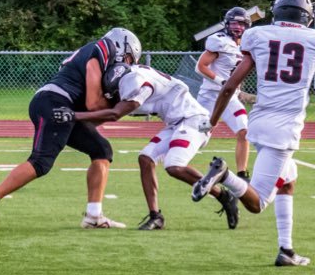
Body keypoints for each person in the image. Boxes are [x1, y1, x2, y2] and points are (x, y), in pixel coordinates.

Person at [0, 27, 142, 230]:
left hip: (63, 107)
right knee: (41, 162)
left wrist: (116, 108)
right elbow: (93, 104)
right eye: (128, 59)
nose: (126, 65)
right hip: (54, 101)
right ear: (120, 46)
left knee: (101, 150)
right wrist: (118, 106)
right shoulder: (101, 48)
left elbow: (92, 119)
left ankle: (93, 216)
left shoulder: (100, 55)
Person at [192, 0, 315, 266]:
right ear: (306, 17)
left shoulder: (257, 35)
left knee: (289, 178)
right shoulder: (311, 39)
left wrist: (212, 121)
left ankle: (286, 250)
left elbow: (229, 86)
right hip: (284, 127)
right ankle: (224, 176)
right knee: (257, 202)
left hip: (259, 120)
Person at [52, 62, 239, 230]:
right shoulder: (132, 75)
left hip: (194, 120)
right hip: (175, 122)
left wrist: (74, 116)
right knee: (145, 158)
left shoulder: (134, 81)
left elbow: (115, 114)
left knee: (174, 166)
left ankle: (223, 192)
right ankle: (156, 216)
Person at [195, 7, 251, 181]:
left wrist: (237, 89)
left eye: (241, 24)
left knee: (244, 130)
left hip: (230, 98)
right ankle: (177, 161)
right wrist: (222, 82)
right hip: (210, 96)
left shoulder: (247, 45)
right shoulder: (219, 41)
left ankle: (242, 174)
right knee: (200, 134)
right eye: (234, 23)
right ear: (227, 24)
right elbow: (200, 66)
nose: (237, 27)